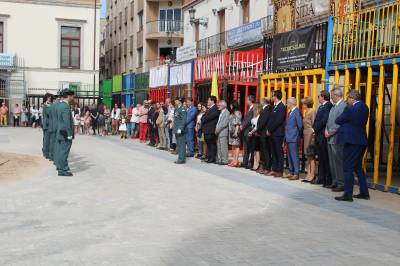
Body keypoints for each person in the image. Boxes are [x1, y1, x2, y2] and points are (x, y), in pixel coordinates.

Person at [335, 89, 370, 202]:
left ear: (353, 98)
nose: (346, 100)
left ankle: (348, 194)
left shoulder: (350, 109)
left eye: (348, 98)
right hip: (361, 140)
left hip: (351, 141)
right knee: (358, 167)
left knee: (347, 167)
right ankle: (364, 192)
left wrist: (346, 112)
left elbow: (338, 120)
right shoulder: (365, 107)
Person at [325, 87, 347, 192]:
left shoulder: (342, 106)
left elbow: (340, 123)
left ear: (337, 95)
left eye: (332, 95)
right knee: (332, 161)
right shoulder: (334, 107)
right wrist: (326, 130)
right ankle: (335, 181)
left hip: (336, 138)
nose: (331, 97)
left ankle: (341, 183)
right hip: (329, 137)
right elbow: (329, 120)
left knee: (338, 161)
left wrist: (330, 132)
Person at [312, 90, 333, 186]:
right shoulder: (321, 106)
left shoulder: (328, 106)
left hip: (323, 136)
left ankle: (327, 179)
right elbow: (317, 120)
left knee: (325, 158)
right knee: (320, 158)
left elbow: (324, 120)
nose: (318, 98)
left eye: (319, 96)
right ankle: (321, 177)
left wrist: (314, 129)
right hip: (318, 135)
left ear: (323, 97)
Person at [54, 89, 75, 176]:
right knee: (64, 152)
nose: (73, 97)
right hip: (65, 132)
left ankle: (59, 167)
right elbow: (67, 122)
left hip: (59, 131)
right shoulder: (66, 106)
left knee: (60, 151)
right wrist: (69, 134)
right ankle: (64, 170)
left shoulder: (58, 105)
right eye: (73, 96)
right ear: (69, 96)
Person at [267, 90, 286, 177]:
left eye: (272, 96)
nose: (271, 97)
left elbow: (278, 121)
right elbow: (271, 120)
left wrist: (270, 130)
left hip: (278, 133)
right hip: (272, 133)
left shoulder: (281, 107)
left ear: (276, 96)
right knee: (273, 152)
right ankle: (274, 169)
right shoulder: (274, 106)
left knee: (279, 152)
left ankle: (279, 170)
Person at [284, 97, 303, 180]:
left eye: (287, 102)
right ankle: (291, 171)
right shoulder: (290, 112)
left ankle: (296, 173)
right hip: (288, 137)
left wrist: (298, 136)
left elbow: (300, 125)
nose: (286, 104)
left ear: (291, 103)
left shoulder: (296, 112)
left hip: (294, 137)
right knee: (290, 155)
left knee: (294, 155)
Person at [301, 97, 317, 182]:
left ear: (307, 104)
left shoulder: (312, 111)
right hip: (306, 134)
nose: (302, 105)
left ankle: (312, 174)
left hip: (310, 134)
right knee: (308, 155)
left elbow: (314, 124)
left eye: (303, 103)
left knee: (311, 155)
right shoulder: (307, 112)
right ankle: (308, 173)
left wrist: (313, 137)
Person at [201, 96, 220, 163]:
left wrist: (204, 119)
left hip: (211, 130)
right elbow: (203, 117)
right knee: (208, 144)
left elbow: (208, 117)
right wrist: (203, 118)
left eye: (208, 100)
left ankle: (212, 158)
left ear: (212, 101)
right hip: (206, 130)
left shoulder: (215, 109)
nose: (207, 101)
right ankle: (209, 157)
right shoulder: (209, 109)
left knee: (211, 144)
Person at [256, 98, 272, 174]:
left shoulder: (267, 109)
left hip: (264, 133)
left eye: (261, 101)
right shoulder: (264, 109)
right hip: (261, 132)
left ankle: (267, 167)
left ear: (263, 102)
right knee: (263, 150)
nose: (260, 103)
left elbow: (263, 121)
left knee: (266, 151)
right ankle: (264, 166)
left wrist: (258, 129)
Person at [241, 96, 255, 169]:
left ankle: (250, 163)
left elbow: (249, 120)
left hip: (249, 130)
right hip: (245, 131)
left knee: (250, 148)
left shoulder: (253, 109)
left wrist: (242, 126)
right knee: (246, 148)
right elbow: (245, 119)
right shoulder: (249, 109)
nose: (246, 101)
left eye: (247, 100)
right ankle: (245, 162)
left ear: (250, 100)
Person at [173, 97, 187, 164]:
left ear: (179, 101)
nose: (175, 101)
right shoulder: (177, 108)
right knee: (179, 144)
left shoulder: (182, 109)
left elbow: (183, 120)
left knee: (181, 144)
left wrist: (180, 129)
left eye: (176, 100)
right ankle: (180, 157)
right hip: (176, 129)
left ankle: (181, 159)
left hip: (180, 130)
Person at [215, 100, 230, 165]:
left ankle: (224, 160)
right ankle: (219, 159)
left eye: (220, 105)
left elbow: (225, 123)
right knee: (219, 146)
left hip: (223, 132)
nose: (218, 106)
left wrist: (217, 129)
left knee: (223, 147)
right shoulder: (221, 112)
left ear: (224, 106)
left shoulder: (227, 112)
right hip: (219, 132)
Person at [228, 101, 242, 167]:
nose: (230, 106)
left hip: (235, 132)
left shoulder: (237, 112)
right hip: (231, 131)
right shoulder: (233, 112)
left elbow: (238, 123)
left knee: (236, 146)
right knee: (233, 146)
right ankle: (233, 160)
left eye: (231, 105)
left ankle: (236, 161)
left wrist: (236, 132)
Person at [248, 104, 262, 171]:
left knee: (257, 150)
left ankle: (257, 164)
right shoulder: (254, 116)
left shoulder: (259, 116)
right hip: (252, 134)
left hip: (256, 134)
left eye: (254, 108)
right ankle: (254, 164)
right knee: (253, 150)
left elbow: (257, 126)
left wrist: (251, 132)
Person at [42, 93, 54, 159]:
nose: (49, 99)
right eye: (48, 98)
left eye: (50, 98)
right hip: (47, 125)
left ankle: (46, 152)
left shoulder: (49, 105)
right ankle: (46, 153)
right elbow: (48, 114)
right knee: (47, 140)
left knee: (47, 140)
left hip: (48, 124)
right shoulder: (46, 105)